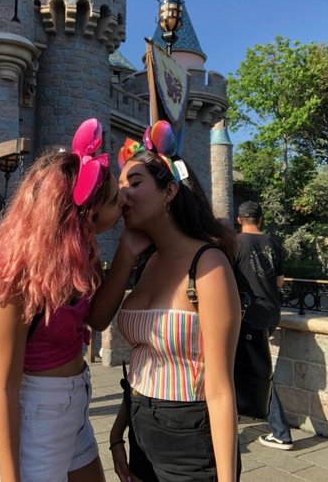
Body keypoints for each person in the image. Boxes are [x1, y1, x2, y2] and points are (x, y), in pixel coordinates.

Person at [89, 120, 242, 482]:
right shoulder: (147, 263)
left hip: (189, 437)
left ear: (169, 190)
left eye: (135, 182)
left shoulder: (208, 265)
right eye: (120, 185)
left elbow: (221, 390)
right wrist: (117, 433)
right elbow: (102, 325)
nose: (122, 195)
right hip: (140, 429)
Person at [0, 119, 124, 482]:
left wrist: (128, 253)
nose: (124, 202)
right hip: (35, 419)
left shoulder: (82, 254)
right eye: (114, 200)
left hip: (75, 406)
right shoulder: (18, 278)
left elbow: (97, 320)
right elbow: (5, 390)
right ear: (85, 215)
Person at [234, 200, 293, 451]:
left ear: (239, 220)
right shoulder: (273, 242)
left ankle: (281, 432)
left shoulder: (235, 243)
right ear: (261, 218)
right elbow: (279, 282)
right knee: (246, 366)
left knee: (256, 369)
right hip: (270, 313)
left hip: (248, 314)